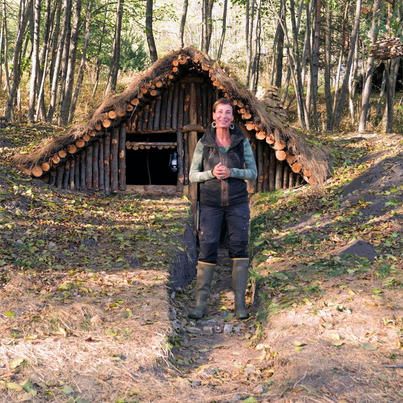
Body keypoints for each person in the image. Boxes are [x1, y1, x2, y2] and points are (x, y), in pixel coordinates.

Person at [188, 98, 257, 320]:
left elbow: (253, 173)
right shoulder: (204, 143)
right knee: (207, 247)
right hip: (210, 204)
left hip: (237, 203)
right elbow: (192, 176)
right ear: (214, 116)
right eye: (220, 112)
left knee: (239, 246)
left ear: (232, 118)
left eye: (228, 113)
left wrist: (232, 172)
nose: (224, 117)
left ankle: (239, 304)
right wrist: (211, 174)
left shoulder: (241, 141)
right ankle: (200, 304)